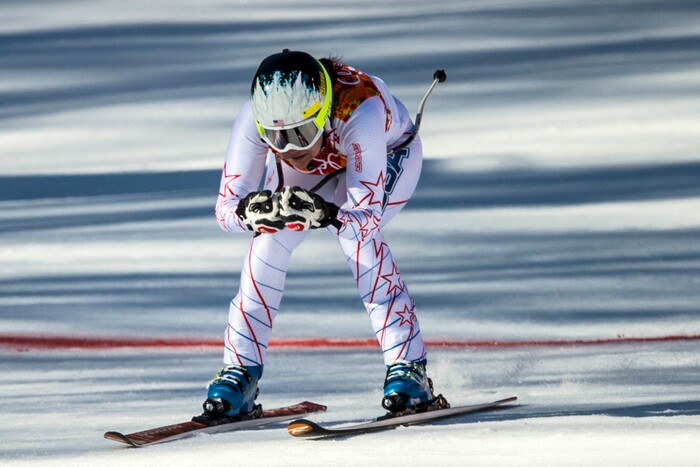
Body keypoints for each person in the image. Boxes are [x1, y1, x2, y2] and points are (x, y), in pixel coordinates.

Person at [198, 49, 441, 423]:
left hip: (390, 155)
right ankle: (240, 372)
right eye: (276, 138)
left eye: (301, 133)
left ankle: (408, 366)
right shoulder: (254, 114)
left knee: (357, 241)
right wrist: (251, 213)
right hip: (325, 167)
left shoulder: (360, 111)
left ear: (324, 112)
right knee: (267, 240)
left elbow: (365, 214)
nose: (292, 150)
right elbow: (225, 210)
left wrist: (327, 214)